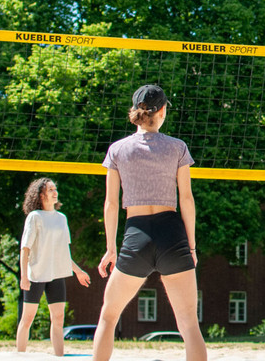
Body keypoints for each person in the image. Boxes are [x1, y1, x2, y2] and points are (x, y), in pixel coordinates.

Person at [93, 84, 206, 361]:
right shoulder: (178, 147)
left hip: (137, 233)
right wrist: (190, 247)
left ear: (135, 112)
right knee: (189, 324)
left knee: (108, 316)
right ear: (163, 111)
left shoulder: (118, 150)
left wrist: (110, 248)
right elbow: (187, 200)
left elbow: (110, 204)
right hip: (172, 234)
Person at [17, 177, 91, 356]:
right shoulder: (34, 217)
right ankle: (19, 355)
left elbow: (64, 252)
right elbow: (25, 249)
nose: (54, 192)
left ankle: (59, 356)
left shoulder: (61, 218)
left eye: (55, 189)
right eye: (50, 190)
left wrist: (78, 271)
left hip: (56, 275)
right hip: (36, 274)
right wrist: (24, 276)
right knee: (27, 319)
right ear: (40, 195)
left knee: (58, 319)